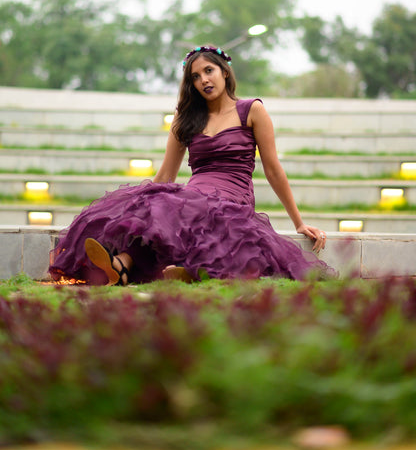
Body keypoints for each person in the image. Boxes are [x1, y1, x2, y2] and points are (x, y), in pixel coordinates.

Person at [49, 45, 336, 285]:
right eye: (195, 76)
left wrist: (298, 222)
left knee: (191, 210)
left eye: (208, 71)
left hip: (232, 195)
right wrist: (143, 203)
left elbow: (273, 170)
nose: (203, 80)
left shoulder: (252, 110)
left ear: (224, 71)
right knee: (160, 201)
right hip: (193, 193)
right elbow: (166, 174)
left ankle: (187, 269)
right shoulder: (186, 119)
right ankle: (121, 265)